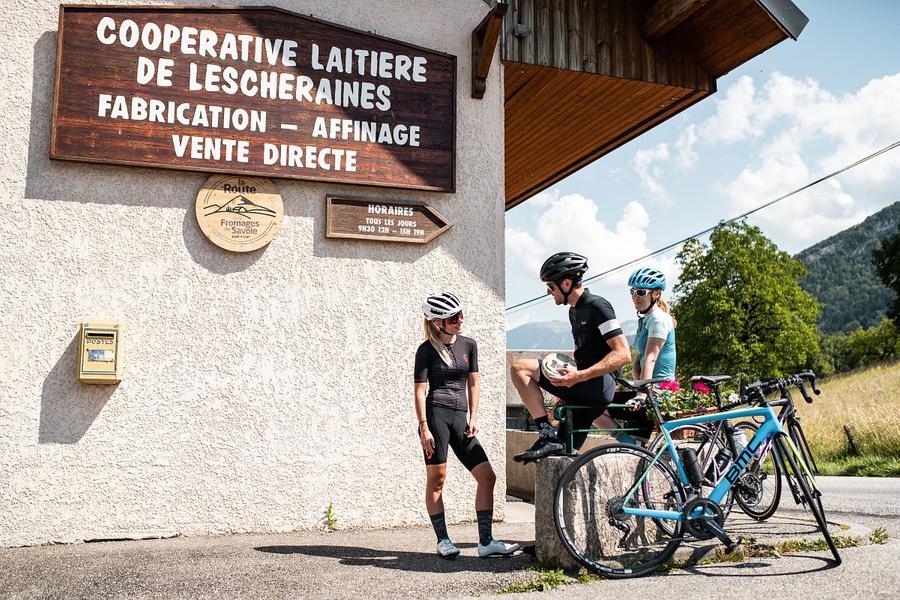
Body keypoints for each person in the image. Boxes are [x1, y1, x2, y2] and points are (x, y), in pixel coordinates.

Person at [414, 292, 520, 559]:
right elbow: (419, 391)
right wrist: (423, 427)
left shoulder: (469, 345)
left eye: (461, 314)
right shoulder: (426, 350)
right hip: (436, 416)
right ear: (438, 322)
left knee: (487, 476)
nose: (460, 320)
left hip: (462, 418)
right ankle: (443, 540)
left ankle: (486, 542)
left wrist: (474, 417)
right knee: (437, 480)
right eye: (453, 318)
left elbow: (474, 382)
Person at [510, 252, 631, 462]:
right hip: (586, 389)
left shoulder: (597, 305)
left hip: (599, 386)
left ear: (566, 283)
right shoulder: (574, 311)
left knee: (521, 368)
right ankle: (552, 442)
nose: (548, 292)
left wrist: (579, 376)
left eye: (551, 286)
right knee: (563, 452)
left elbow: (623, 353)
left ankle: (546, 434)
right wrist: (566, 393)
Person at [594, 267, 677, 444]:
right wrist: (636, 388)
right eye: (632, 291)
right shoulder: (646, 319)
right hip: (647, 390)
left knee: (592, 406)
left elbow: (651, 358)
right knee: (638, 446)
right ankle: (632, 444)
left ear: (655, 294)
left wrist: (641, 394)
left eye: (640, 292)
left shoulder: (658, 319)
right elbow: (638, 361)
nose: (635, 297)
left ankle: (630, 444)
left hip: (658, 392)